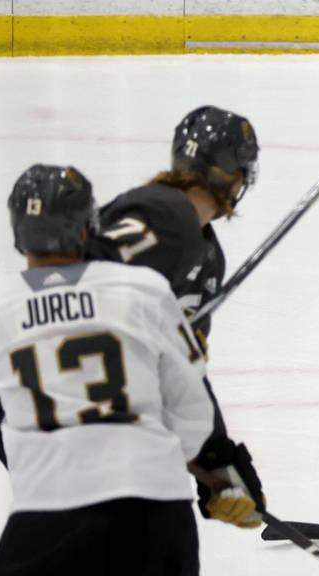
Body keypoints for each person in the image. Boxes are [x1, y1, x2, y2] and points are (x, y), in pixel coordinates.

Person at [0, 164, 228, 575]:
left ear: (17, 233)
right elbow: (193, 412)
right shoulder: (144, 289)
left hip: (49, 514)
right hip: (158, 514)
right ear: (86, 228)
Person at [84, 104, 266, 530]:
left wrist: (217, 462)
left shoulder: (205, 256)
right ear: (231, 175)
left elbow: (184, 369)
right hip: (57, 409)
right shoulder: (163, 214)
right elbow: (81, 286)